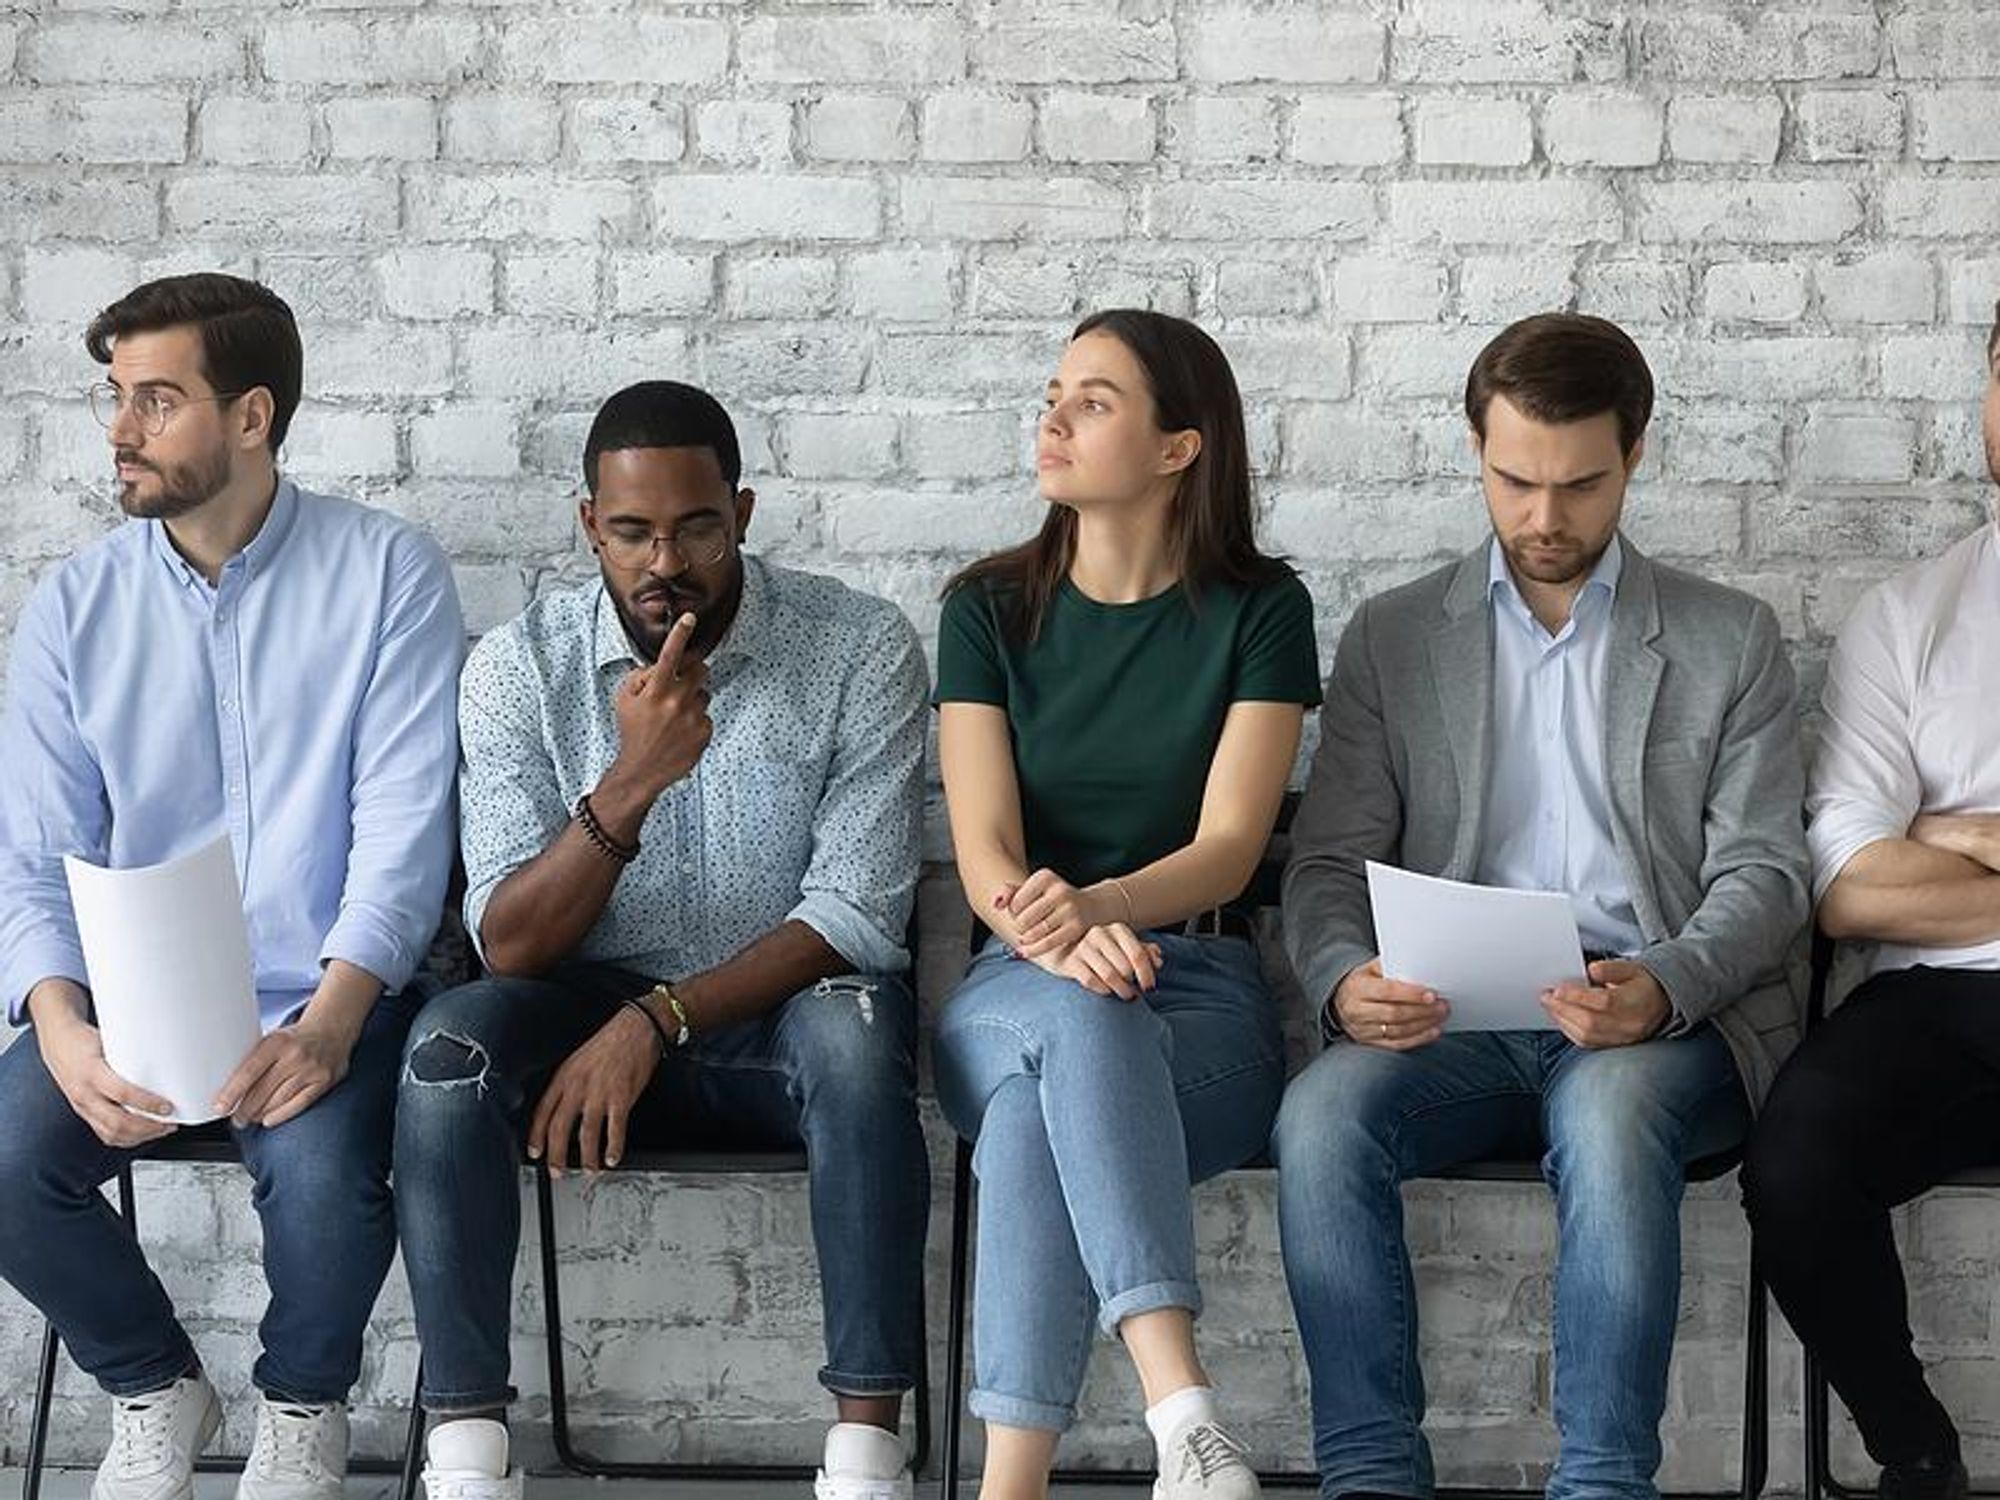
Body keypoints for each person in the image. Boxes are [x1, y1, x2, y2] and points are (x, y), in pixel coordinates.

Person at [1274, 312, 1809, 1500]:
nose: (1543, 519)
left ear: (1635, 456)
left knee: (1610, 1123)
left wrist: (1665, 982)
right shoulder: (1396, 636)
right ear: (1475, 449)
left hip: (1655, 1022)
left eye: (1580, 484)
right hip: (1449, 1019)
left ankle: (1603, 1484)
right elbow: (1323, 866)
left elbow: (1766, 875)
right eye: (1514, 481)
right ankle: (1366, 1476)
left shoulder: (1729, 642)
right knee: (1320, 1119)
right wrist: (1342, 980)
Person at [394, 379, 930, 1500]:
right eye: (631, 530)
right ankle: (466, 1460)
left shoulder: (859, 646)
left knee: (856, 1034)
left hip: (779, 1019)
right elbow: (509, 944)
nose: (663, 562)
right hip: (574, 1013)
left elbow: (855, 915)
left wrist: (659, 1017)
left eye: (694, 527)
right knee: (449, 1050)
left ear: (741, 511)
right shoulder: (516, 672)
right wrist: (630, 781)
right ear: (588, 523)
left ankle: (865, 1457)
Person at [0, 272, 464, 1500]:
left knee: (318, 1180)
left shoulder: (388, 574)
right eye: (116, 397)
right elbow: (33, 856)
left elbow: (406, 826)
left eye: (158, 400)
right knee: (2, 1155)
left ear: (251, 417)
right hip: (133, 1004)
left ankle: (302, 1411)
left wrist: (331, 1020)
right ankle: (153, 1385)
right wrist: (60, 1028)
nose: (121, 429)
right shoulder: (74, 609)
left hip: (331, 991)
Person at [931, 308, 1321, 1500]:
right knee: (1076, 1021)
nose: (1052, 416)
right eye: (1054, 390)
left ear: (1176, 448)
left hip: (1198, 994)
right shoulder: (985, 607)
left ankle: (1011, 1491)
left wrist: (1102, 905)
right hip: (1011, 980)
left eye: (1093, 400)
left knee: (1030, 1129)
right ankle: (1182, 1411)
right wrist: (1060, 935)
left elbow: (1227, 847)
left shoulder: (1261, 611)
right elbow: (984, 843)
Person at [1743, 303, 2000, 1500]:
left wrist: (1952, 838)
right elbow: (1848, 889)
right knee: (1792, 1158)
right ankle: (1913, 1451)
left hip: (1947, 944)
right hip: (1935, 1009)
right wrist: (1905, 860)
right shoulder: (1909, 618)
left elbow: (1896, 863)